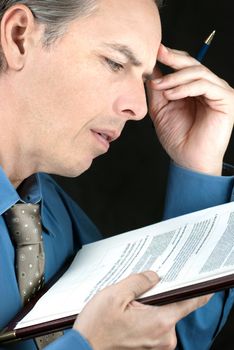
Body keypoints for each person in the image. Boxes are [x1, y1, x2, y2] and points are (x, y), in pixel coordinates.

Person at [0, 0, 233, 349]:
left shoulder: (56, 219)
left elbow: (160, 338)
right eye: (115, 62)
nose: (139, 109)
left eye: (143, 79)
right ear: (19, 37)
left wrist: (197, 165)